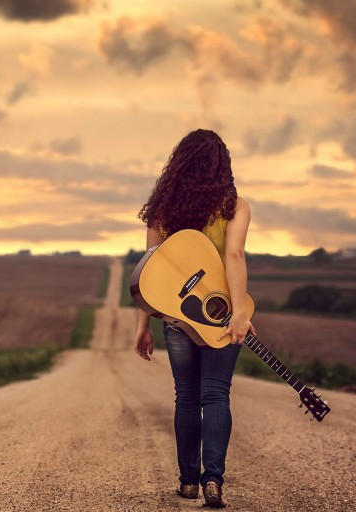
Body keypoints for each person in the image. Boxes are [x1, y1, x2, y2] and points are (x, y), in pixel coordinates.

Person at [133, 129, 255, 508]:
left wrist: (143, 325)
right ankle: (212, 481)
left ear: (179, 164)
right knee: (216, 393)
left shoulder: (164, 208)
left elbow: (151, 274)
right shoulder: (234, 206)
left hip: (176, 319)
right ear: (223, 166)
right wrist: (237, 312)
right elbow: (233, 257)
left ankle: (188, 482)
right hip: (221, 315)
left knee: (186, 397)